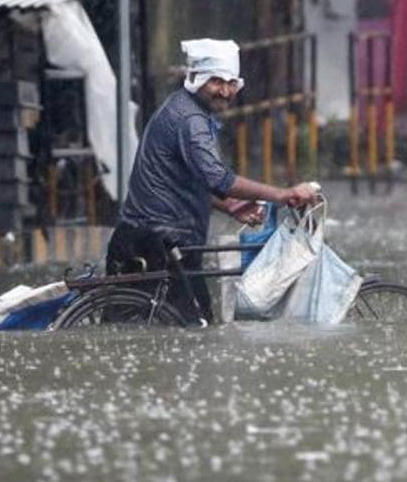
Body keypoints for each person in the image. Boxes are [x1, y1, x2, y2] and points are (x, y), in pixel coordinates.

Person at [105, 38, 319, 324]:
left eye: (231, 83)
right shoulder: (190, 120)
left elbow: (185, 180)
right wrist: (283, 194)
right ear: (195, 79)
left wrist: (229, 206)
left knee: (168, 330)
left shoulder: (186, 109)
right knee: (195, 331)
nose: (226, 91)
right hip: (159, 241)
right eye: (216, 81)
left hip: (153, 237)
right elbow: (219, 178)